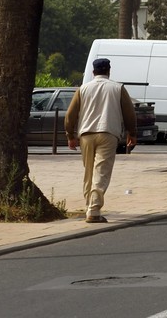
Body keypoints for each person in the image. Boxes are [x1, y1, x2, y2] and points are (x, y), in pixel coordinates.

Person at [64, 58, 136, 224]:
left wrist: (70, 135)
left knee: (89, 170)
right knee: (101, 171)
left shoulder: (83, 89)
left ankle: (89, 203)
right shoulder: (118, 88)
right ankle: (94, 209)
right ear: (108, 71)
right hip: (108, 132)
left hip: (86, 134)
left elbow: (70, 115)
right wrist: (132, 132)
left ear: (93, 72)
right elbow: (129, 114)